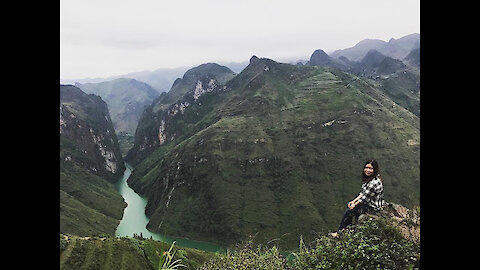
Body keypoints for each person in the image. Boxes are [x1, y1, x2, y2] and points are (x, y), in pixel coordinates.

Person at [330, 160, 385, 238]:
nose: (368, 170)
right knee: (350, 207)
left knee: (349, 211)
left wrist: (354, 204)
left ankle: (340, 233)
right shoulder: (373, 179)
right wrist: (353, 201)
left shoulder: (373, 183)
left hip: (373, 208)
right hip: (370, 203)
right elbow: (363, 193)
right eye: (366, 168)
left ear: (375, 170)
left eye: (371, 168)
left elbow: (364, 199)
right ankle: (347, 230)